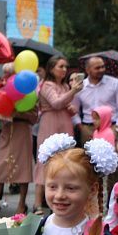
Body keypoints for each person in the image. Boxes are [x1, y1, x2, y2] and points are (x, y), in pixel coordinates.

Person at [36, 56, 83, 215]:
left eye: (65, 67)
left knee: (65, 159)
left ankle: (61, 197)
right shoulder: (47, 85)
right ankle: (38, 204)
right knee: (46, 160)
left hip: (64, 122)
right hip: (50, 123)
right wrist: (73, 91)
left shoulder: (63, 86)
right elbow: (56, 103)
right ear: (51, 69)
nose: (64, 70)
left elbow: (67, 104)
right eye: (61, 66)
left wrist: (71, 100)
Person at [0, 93, 38, 217]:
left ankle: (22, 203)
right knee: (0, 167)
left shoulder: (29, 95)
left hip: (23, 130)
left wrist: (17, 113)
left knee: (23, 167)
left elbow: (34, 118)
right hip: (7, 130)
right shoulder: (5, 92)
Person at [73, 57, 118, 143]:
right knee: (88, 156)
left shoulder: (115, 83)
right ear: (87, 70)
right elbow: (74, 109)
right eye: (97, 68)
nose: (102, 70)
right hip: (88, 129)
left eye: (103, 66)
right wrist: (81, 127)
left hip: (111, 127)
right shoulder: (80, 86)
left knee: (112, 155)